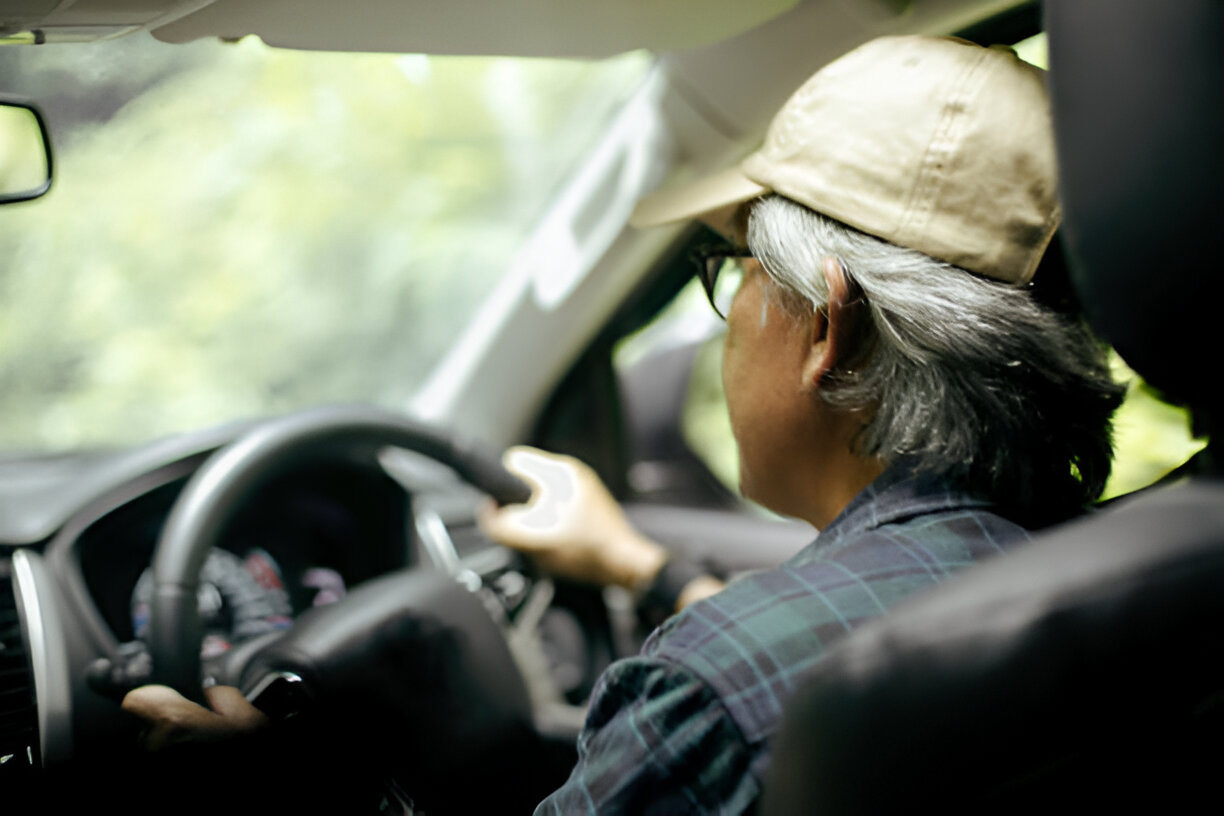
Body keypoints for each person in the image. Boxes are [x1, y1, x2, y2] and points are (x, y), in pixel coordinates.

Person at [123, 35, 1125, 813]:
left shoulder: (706, 698)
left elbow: (755, 678)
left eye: (731, 272)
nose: (730, 312)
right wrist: (643, 567)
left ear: (827, 326)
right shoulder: (1136, 565)